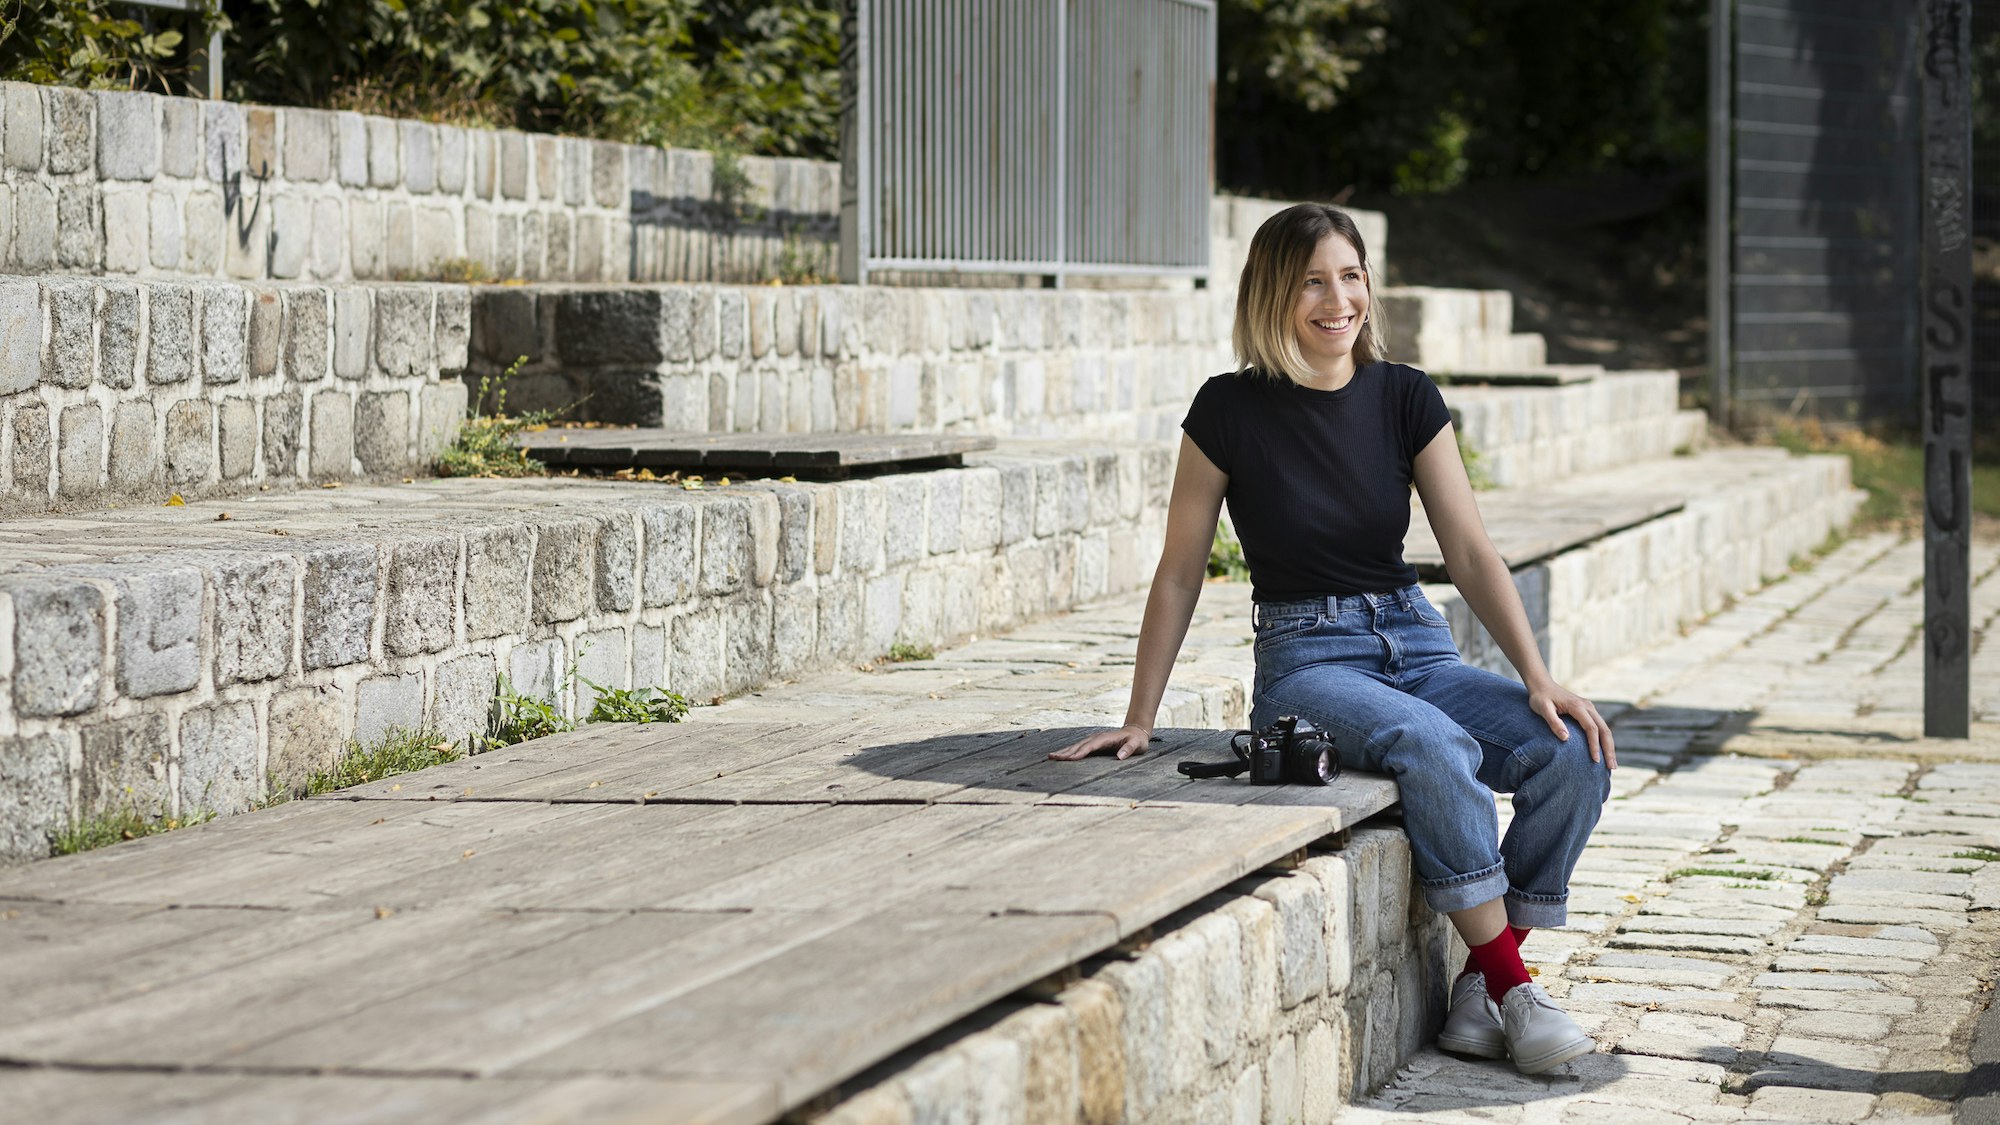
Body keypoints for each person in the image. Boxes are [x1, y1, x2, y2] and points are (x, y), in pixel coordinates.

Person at [1048, 203, 1615, 1075]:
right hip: (1308, 661)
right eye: (1313, 279)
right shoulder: (1227, 408)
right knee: (1432, 743)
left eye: (1350, 275)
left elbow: (1467, 547)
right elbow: (1179, 571)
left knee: (1570, 749)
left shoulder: (1404, 396)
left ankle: (1484, 983)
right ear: (1274, 292)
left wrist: (1538, 677)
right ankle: (1515, 990)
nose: (1336, 298)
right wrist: (1139, 716)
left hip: (1412, 640)